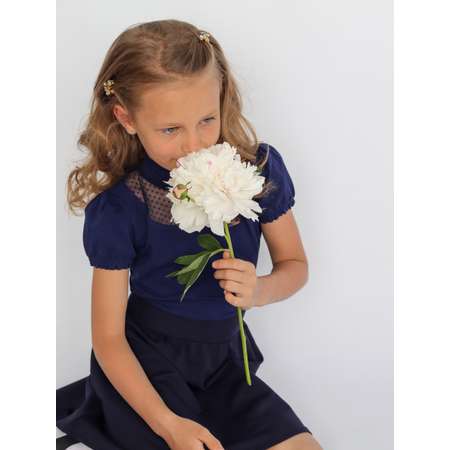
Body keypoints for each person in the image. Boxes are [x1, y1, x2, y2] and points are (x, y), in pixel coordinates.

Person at [56, 19, 323, 450]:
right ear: (126, 118)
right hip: (146, 369)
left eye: (206, 120)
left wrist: (261, 289)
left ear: (221, 98)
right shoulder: (122, 207)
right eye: (170, 129)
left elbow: (295, 265)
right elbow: (108, 338)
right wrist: (168, 424)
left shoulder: (257, 171)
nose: (194, 145)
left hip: (226, 365)